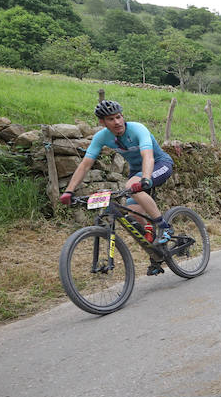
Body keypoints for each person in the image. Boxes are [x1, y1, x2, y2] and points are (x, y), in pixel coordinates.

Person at [59, 99, 175, 274]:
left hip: (159, 164)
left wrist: (145, 179)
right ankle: (157, 254)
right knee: (132, 215)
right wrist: (69, 190)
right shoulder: (102, 137)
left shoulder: (137, 129)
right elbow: (85, 165)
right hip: (138, 172)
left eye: (119, 117)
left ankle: (165, 227)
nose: (117, 122)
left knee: (132, 185)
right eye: (111, 119)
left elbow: (148, 157)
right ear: (102, 122)